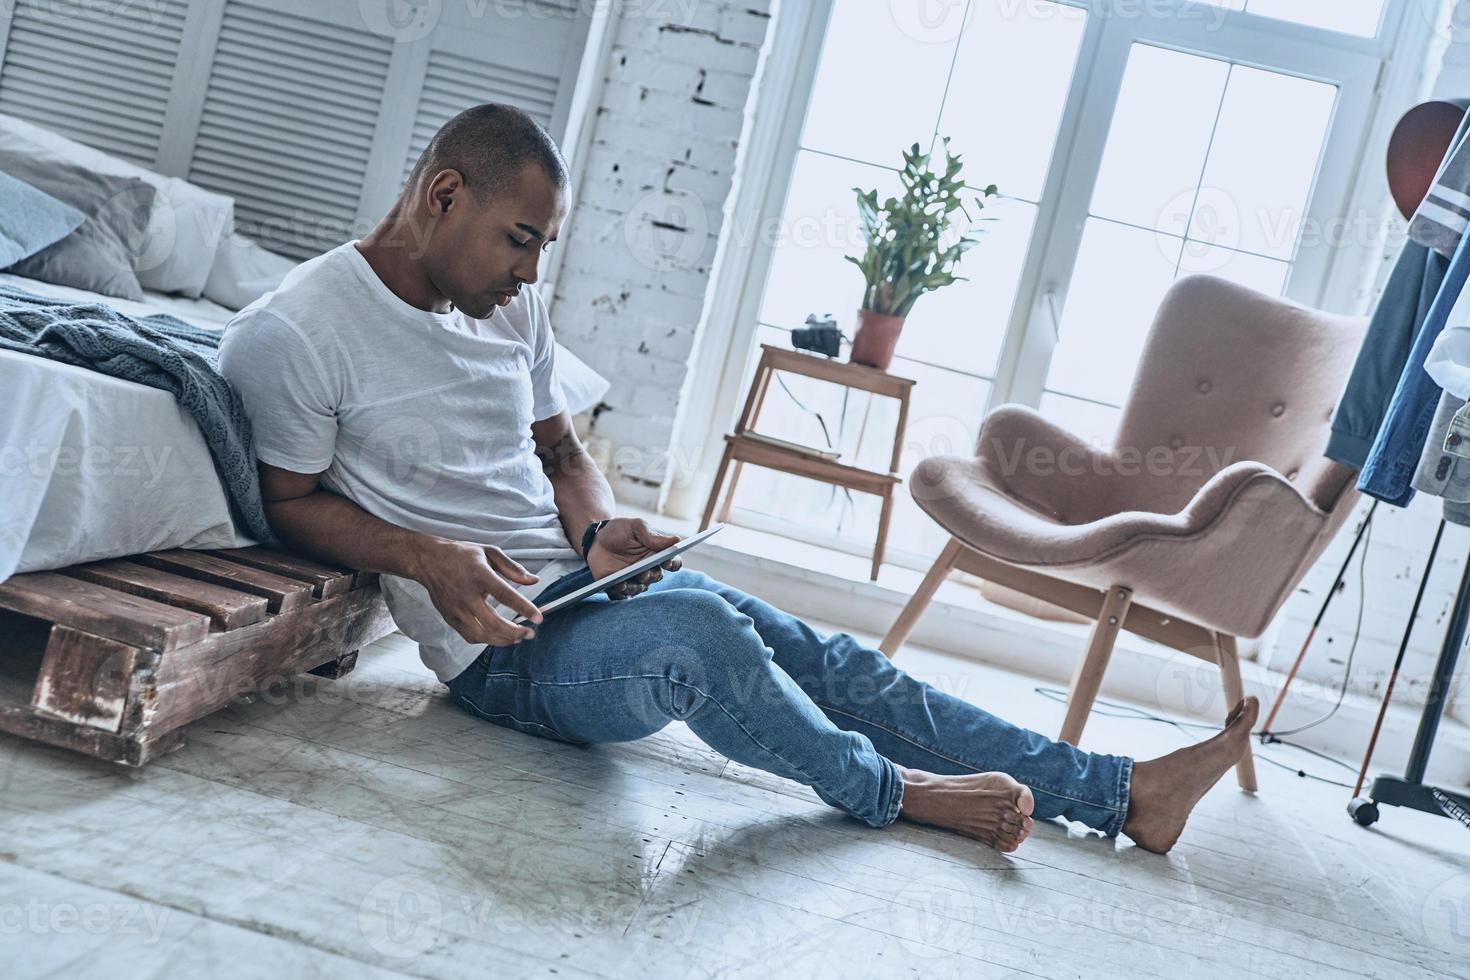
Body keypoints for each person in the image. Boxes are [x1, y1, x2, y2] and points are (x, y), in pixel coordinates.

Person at [219, 104, 1257, 855]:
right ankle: (896, 792)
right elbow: (286, 500)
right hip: (507, 655)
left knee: (840, 660)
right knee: (706, 641)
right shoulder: (301, 328)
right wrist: (424, 556)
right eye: (520, 238)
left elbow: (561, 450)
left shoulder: (505, 307)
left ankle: (1121, 792)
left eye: (542, 244)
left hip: (584, 591)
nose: (532, 271)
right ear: (445, 195)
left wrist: (598, 536)